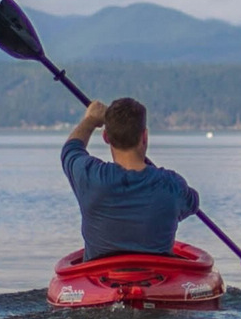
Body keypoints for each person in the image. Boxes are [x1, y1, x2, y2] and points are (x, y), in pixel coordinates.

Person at [61, 96, 200, 258]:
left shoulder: (90, 177)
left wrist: (90, 120)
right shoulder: (173, 185)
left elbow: (70, 150)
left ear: (106, 137)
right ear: (145, 136)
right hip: (159, 278)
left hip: (101, 278)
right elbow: (193, 203)